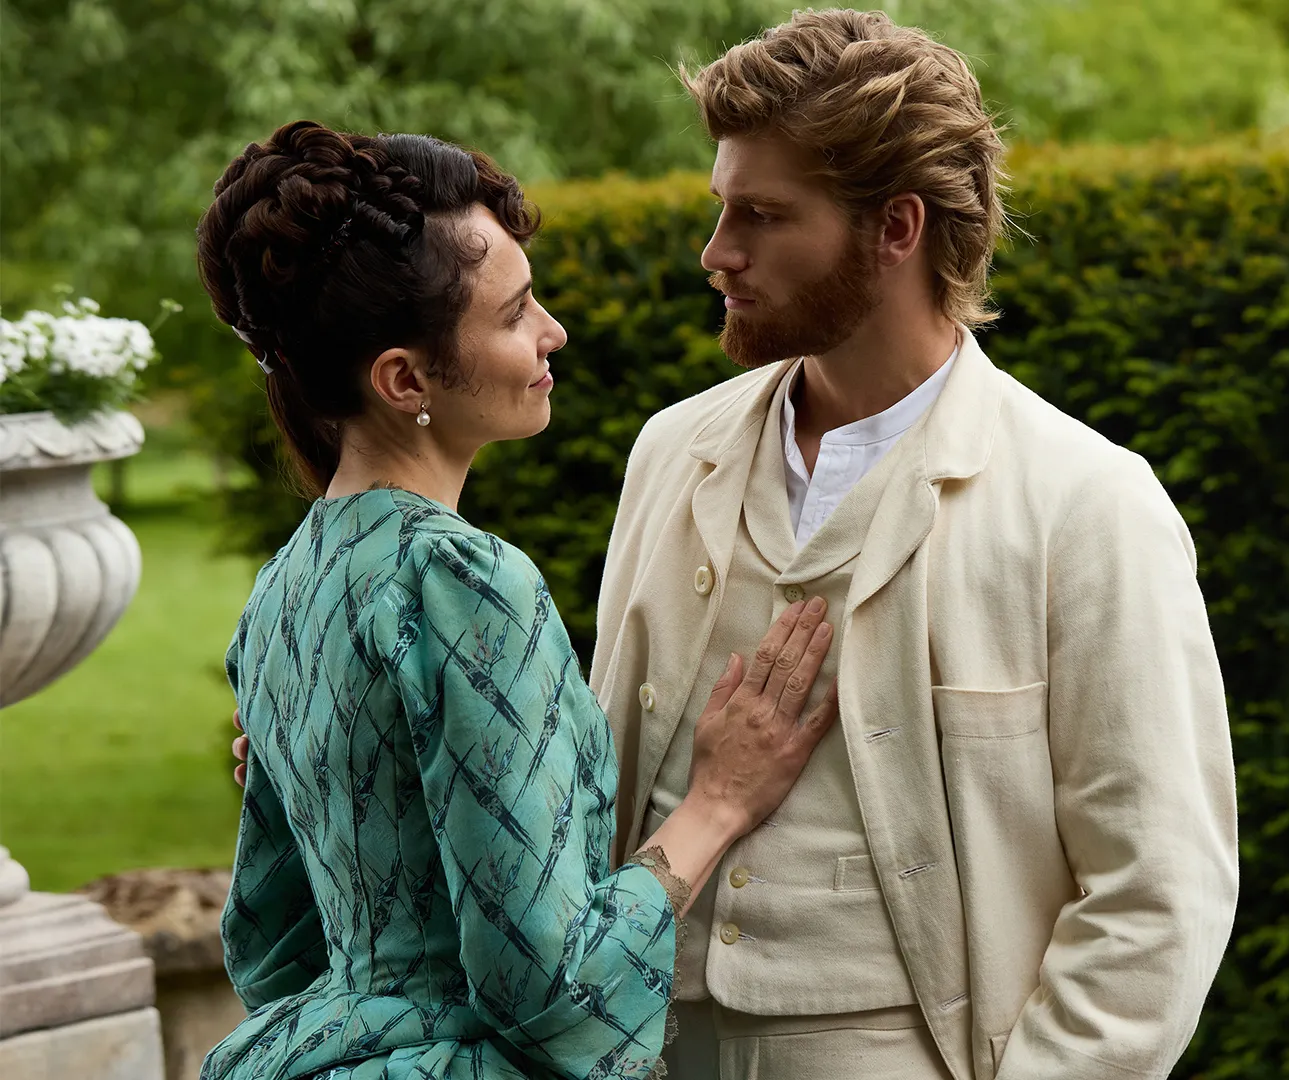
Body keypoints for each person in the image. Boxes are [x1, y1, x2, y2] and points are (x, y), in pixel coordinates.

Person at [590, 11, 1239, 1080]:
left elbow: (1157, 891)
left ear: (896, 227)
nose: (717, 254)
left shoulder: (1087, 503)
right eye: (721, 208)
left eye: (762, 216)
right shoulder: (670, 453)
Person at [199, 119, 841, 1080]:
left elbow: (272, 952)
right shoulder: (461, 581)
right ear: (404, 379)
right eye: (513, 314)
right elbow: (553, 993)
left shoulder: (282, 596)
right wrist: (718, 803)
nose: (553, 332)